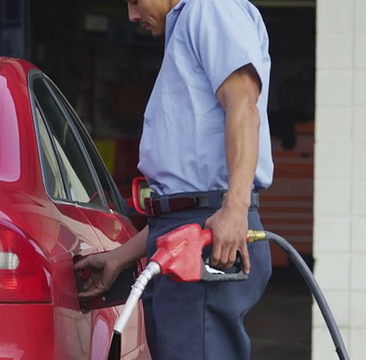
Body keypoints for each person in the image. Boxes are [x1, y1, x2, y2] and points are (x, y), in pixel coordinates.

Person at [74, 0, 274, 359]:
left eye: (135, 1)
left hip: (210, 231)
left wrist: (235, 207)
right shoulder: (186, 26)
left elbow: (244, 105)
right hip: (191, 227)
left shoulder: (211, 8)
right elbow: (185, 198)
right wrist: (122, 256)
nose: (131, 15)